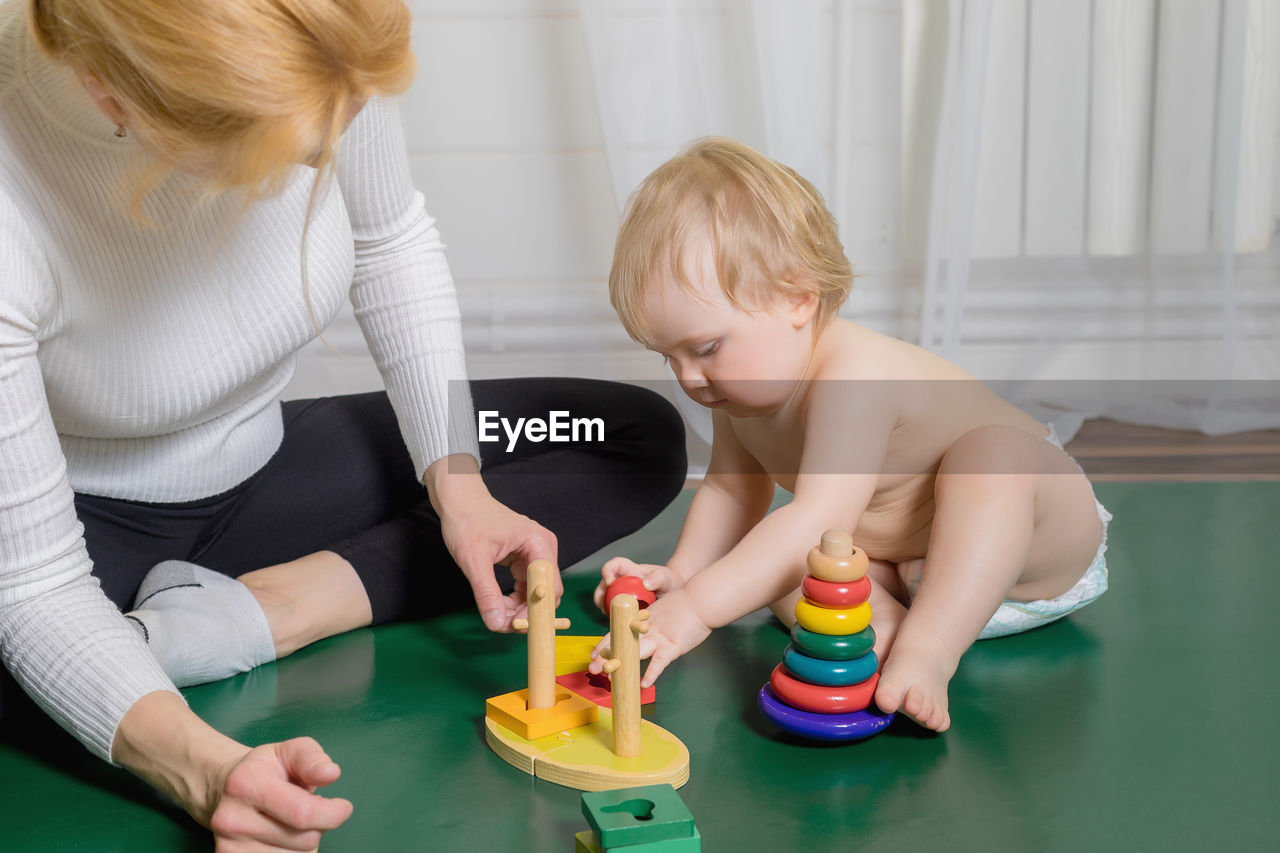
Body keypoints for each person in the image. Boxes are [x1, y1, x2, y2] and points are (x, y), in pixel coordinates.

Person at [0, 1, 683, 849]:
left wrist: (456, 482)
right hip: (78, 526)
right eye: (299, 150)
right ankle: (157, 635)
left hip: (272, 473)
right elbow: (31, 588)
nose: (333, 153)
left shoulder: (319, 42)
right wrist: (205, 765)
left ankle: (280, 606)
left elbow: (390, 242)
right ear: (118, 103)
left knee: (622, 436)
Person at [589, 136, 1110, 733]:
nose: (689, 377)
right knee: (784, 577)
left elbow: (817, 517)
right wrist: (682, 574)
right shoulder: (738, 389)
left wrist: (697, 610)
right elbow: (734, 491)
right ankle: (883, 630)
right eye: (669, 358)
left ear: (796, 298)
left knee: (991, 457)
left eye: (705, 348)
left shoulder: (854, 375)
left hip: (1032, 553)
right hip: (908, 569)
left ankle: (930, 648)